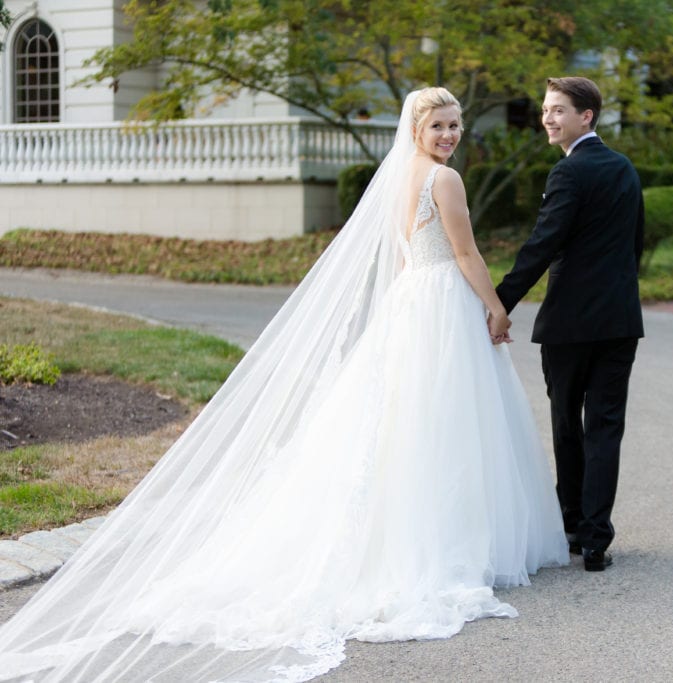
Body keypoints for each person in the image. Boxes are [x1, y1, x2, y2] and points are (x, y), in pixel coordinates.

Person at [0, 88, 568, 682]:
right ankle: (441, 544)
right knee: (443, 424)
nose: (450, 135)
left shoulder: (400, 177)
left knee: (407, 422)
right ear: (416, 128)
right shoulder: (444, 182)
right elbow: (466, 252)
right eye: (440, 126)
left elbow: (405, 258)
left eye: (455, 125)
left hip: (412, 303)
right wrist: (496, 309)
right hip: (440, 301)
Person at [496, 77, 644, 573]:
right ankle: (597, 540)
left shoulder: (569, 172)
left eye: (559, 110)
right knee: (604, 427)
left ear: (587, 116)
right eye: (544, 110)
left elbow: (542, 244)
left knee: (567, 425)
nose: (548, 118)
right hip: (620, 319)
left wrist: (498, 302)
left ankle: (575, 526)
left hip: (569, 323)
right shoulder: (624, 168)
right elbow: (634, 246)